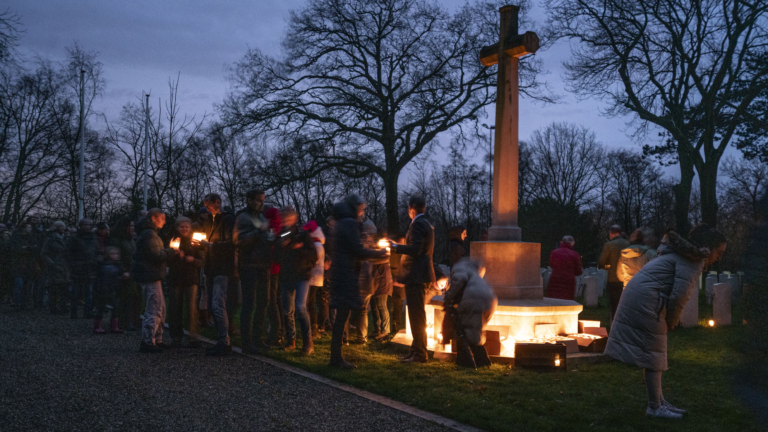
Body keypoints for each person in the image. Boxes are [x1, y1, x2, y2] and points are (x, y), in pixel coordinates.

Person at [605, 224, 726, 419]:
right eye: (718, 252)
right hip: (647, 299)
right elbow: (679, 295)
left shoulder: (682, 255)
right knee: (654, 354)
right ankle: (654, 407)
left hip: (642, 296)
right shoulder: (692, 261)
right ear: (707, 248)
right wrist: (672, 321)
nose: (719, 257)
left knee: (656, 353)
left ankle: (659, 402)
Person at [329, 194, 388, 369]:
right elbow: (356, 249)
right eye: (362, 208)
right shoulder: (349, 223)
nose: (363, 212)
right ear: (355, 207)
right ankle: (336, 358)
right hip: (346, 274)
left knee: (342, 316)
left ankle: (336, 356)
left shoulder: (341, 221)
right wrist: (379, 253)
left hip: (343, 272)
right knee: (342, 317)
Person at [389, 195, 447, 364]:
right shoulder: (425, 224)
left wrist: (396, 247)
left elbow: (416, 249)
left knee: (416, 316)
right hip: (420, 275)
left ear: (411, 208)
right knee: (417, 315)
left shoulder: (418, 224)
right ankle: (416, 350)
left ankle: (420, 353)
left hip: (416, 276)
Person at [131, 208, 178, 353]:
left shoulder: (149, 234)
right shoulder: (149, 235)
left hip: (153, 275)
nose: (164, 221)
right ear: (153, 218)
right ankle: (148, 341)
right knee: (154, 308)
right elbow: (155, 255)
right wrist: (172, 251)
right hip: (150, 276)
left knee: (160, 308)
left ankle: (157, 339)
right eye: (162, 218)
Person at [233, 190, 272, 354]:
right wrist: (259, 232)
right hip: (249, 265)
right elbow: (238, 240)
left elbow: (267, 237)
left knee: (264, 302)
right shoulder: (242, 217)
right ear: (249, 200)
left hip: (263, 264)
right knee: (249, 304)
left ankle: (257, 337)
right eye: (258, 200)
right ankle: (247, 341)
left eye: (263, 200)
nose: (261, 203)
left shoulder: (262, 217)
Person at [198, 193, 236, 357]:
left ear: (217, 203)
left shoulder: (227, 219)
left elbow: (230, 243)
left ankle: (224, 342)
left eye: (209, 206)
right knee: (214, 306)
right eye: (205, 207)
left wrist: (211, 245)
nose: (207, 209)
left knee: (218, 304)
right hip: (211, 267)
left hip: (221, 268)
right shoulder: (211, 221)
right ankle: (222, 340)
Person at [276, 207, 317, 355]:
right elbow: (276, 257)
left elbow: (314, 256)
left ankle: (308, 341)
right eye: (283, 219)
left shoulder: (303, 235)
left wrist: (298, 248)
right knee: (288, 311)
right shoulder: (282, 235)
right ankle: (290, 340)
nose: (285, 222)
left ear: (294, 219)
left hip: (302, 276)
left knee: (300, 307)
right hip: (287, 276)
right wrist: (281, 248)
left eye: (288, 219)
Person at [442, 258, 497, 368]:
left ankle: (473, 362)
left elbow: (458, 282)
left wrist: (448, 297)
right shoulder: (475, 273)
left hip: (472, 300)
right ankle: (473, 361)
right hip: (488, 300)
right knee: (473, 331)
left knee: (466, 332)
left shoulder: (460, 268)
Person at [167, 217, 204, 348]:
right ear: (177, 227)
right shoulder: (172, 240)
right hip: (175, 278)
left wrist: (192, 260)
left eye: (186, 227)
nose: (184, 229)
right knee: (175, 308)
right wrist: (174, 253)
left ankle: (193, 336)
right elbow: (165, 258)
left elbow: (201, 261)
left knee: (192, 308)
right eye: (181, 227)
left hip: (190, 278)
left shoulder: (195, 242)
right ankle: (176, 337)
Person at [111, 217, 140, 331]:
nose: (133, 228)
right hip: (123, 272)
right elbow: (116, 257)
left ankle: (132, 320)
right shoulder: (117, 240)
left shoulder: (131, 240)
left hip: (132, 271)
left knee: (133, 298)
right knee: (125, 298)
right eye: (130, 226)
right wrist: (123, 271)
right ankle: (123, 321)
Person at [66, 219, 98, 318]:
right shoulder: (74, 238)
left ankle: (87, 312)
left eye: (89, 225)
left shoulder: (94, 238)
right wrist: (73, 264)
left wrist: (96, 261)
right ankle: (74, 312)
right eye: (85, 225)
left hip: (90, 268)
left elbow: (97, 251)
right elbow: (68, 253)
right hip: (78, 268)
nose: (87, 227)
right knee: (76, 292)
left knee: (89, 291)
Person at [599, 225, 631, 322]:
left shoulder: (609, 245)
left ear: (611, 233)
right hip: (626, 279)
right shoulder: (628, 244)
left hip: (613, 279)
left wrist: (607, 265)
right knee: (625, 305)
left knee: (614, 306)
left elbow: (601, 262)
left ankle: (614, 325)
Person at [93, 246, 127, 334]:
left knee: (115, 307)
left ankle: (114, 326)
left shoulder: (117, 265)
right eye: (113, 254)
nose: (116, 256)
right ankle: (98, 326)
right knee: (101, 308)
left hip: (113, 289)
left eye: (117, 254)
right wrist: (121, 278)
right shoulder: (106, 267)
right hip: (105, 289)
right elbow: (109, 279)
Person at [264, 206, 284, 346]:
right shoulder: (279, 227)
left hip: (271, 267)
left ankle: (276, 333)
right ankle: (278, 331)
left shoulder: (271, 228)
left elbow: (269, 244)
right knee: (276, 300)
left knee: (271, 301)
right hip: (277, 268)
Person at [303, 220, 326, 340]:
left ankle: (313, 329)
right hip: (315, 278)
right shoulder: (318, 244)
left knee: (309, 304)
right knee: (310, 303)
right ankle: (313, 328)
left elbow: (313, 261)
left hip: (313, 278)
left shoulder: (316, 245)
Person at [41, 221, 70, 314]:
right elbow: (44, 253)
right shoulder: (50, 239)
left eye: (63, 226)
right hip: (55, 266)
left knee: (64, 287)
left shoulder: (67, 238)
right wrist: (52, 263)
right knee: (54, 287)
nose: (62, 228)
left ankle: (63, 305)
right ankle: (53, 306)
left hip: (65, 266)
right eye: (60, 226)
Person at [11, 223, 41, 310]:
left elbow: (36, 249)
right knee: (19, 283)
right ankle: (17, 303)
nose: (30, 229)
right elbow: (14, 249)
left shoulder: (32, 238)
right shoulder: (17, 237)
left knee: (28, 285)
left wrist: (27, 248)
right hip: (19, 263)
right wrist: (28, 249)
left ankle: (24, 303)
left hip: (29, 263)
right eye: (29, 227)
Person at [546, 235, 583, 300]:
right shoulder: (575, 254)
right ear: (572, 243)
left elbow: (551, 265)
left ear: (562, 242)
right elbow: (578, 271)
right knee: (566, 302)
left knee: (553, 300)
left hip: (555, 279)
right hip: (568, 281)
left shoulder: (554, 252)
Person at [389, 234, 406, 335]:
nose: (402, 244)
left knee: (398, 306)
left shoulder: (406, 255)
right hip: (391, 281)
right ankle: (386, 327)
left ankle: (395, 327)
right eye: (400, 242)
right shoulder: (392, 253)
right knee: (387, 305)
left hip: (400, 283)